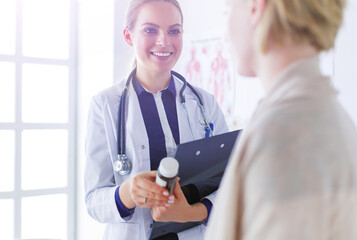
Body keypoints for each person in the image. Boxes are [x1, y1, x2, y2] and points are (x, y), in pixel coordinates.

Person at [206, 0, 357, 239]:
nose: (225, 34)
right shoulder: (328, 117)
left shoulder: (285, 138)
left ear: (256, 7)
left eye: (228, 10)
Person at [84, 0, 228, 240]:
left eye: (174, 30)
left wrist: (194, 212)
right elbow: (93, 199)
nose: (164, 41)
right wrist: (125, 194)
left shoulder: (205, 103)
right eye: (150, 30)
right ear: (128, 36)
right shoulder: (105, 105)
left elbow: (230, 183)